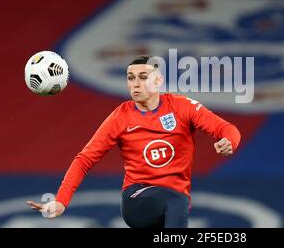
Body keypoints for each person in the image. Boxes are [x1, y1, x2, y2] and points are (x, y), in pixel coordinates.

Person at [27, 55, 241, 228]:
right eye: (130, 78)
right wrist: (62, 200)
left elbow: (226, 128)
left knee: (176, 202)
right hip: (137, 199)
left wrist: (229, 141)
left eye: (143, 77)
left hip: (171, 204)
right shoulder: (121, 117)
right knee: (178, 201)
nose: (135, 83)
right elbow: (85, 159)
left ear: (158, 82)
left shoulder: (182, 107)